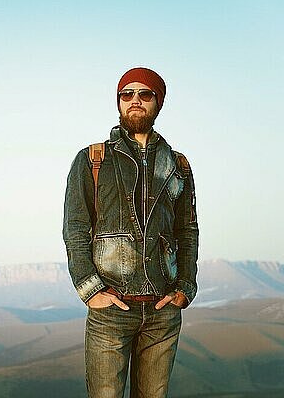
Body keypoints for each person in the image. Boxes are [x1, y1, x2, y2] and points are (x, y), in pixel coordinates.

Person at [62, 67, 199, 398]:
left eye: (145, 94)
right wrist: (90, 290)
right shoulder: (92, 159)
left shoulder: (177, 164)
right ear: (119, 102)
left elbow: (188, 230)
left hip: (162, 311)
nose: (135, 100)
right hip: (111, 308)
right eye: (127, 94)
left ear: (158, 103)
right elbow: (76, 228)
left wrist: (185, 287)